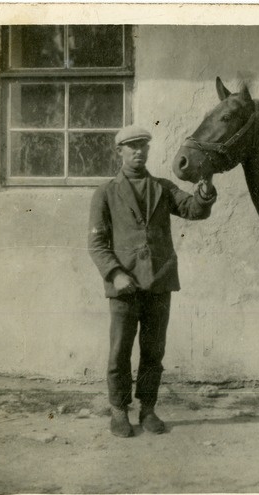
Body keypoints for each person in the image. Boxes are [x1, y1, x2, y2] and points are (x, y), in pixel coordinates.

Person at [88, 125, 217, 437]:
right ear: (118, 151)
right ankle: (119, 411)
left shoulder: (163, 187)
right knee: (120, 351)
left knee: (153, 351)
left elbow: (193, 210)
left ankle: (148, 409)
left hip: (159, 282)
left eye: (143, 146)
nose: (138, 152)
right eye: (131, 147)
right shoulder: (105, 193)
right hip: (124, 286)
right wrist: (116, 274)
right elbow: (97, 244)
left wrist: (204, 190)